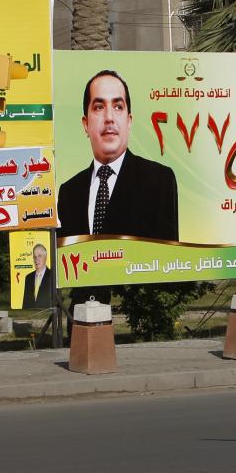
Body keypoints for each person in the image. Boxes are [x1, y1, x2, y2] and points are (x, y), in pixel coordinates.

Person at [58, 70, 179, 312]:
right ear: (86, 124)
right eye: (99, 107)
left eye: (118, 106)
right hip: (82, 319)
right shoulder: (69, 191)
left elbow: (167, 261)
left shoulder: (159, 180)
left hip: (138, 318)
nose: (109, 118)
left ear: (129, 121)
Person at [22, 243, 53, 309]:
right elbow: (25, 304)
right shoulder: (28, 278)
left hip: (47, 314)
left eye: (39, 256)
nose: (36, 259)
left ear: (45, 257)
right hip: (31, 315)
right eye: (35, 257)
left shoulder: (53, 276)